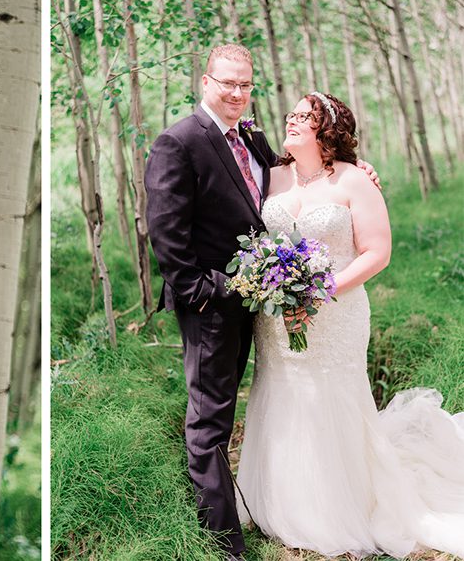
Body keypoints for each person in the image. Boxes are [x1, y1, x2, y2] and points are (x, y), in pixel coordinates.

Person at [236, 92, 464, 558]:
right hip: (277, 319)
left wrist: (321, 291)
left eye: (304, 116)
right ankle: (278, 498)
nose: (292, 120)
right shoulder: (270, 175)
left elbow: (377, 253)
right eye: (292, 114)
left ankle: (339, 504)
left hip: (336, 314)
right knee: (279, 390)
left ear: (328, 130)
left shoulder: (356, 181)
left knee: (332, 396)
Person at [145, 44, 281, 559]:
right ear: (205, 81)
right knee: (209, 419)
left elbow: (282, 185)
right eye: (228, 83)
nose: (238, 93)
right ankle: (226, 544)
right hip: (210, 304)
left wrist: (356, 172)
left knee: (226, 406)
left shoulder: (250, 137)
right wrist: (205, 294)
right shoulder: (178, 142)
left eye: (246, 84)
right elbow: (167, 234)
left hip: (253, 299)